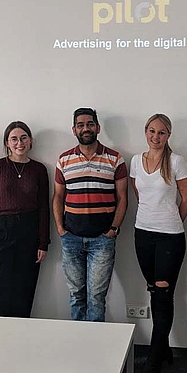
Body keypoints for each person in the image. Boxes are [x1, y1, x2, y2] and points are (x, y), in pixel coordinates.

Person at [129, 114, 187, 373]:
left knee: (164, 292)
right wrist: (151, 219)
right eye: (152, 131)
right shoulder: (135, 160)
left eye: (162, 133)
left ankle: (153, 363)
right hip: (142, 233)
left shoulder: (177, 161)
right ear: (146, 132)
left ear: (169, 135)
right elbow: (138, 194)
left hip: (170, 237)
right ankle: (164, 349)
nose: (156, 136)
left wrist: (171, 221)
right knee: (154, 290)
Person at [53, 108, 128, 322]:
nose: (85, 128)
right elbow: (58, 196)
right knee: (76, 296)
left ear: (97, 127)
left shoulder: (115, 159)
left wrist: (113, 229)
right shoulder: (64, 159)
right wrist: (60, 229)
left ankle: (95, 348)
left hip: (102, 240)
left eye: (89, 124)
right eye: (80, 125)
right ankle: (78, 345)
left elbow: (123, 198)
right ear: (74, 129)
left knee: (96, 297)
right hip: (71, 239)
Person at [0, 121, 50, 318]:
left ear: (30, 141)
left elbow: (44, 208)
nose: (19, 143)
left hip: (29, 231)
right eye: (14, 139)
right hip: (0, 230)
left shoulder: (39, 169)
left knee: (23, 290)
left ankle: (20, 340)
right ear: (7, 143)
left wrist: (43, 243)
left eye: (23, 138)